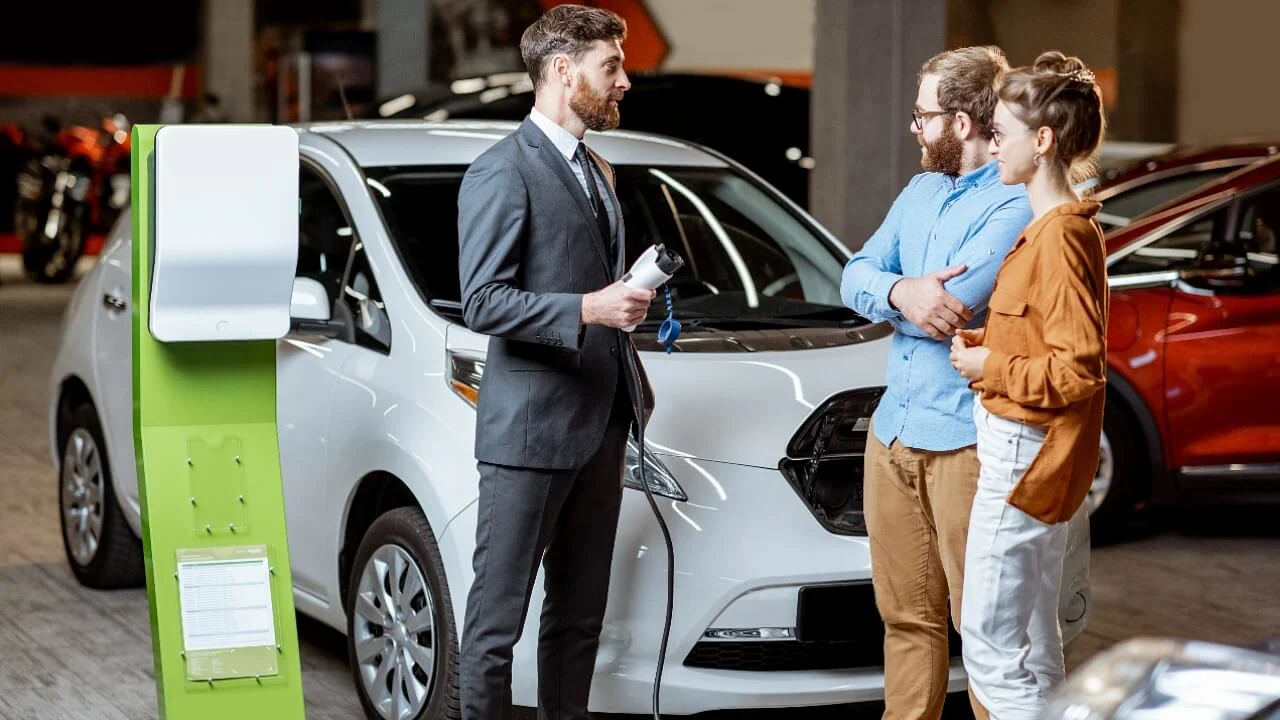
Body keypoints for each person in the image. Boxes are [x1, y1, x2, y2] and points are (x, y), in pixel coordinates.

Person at [454, 5, 655, 719]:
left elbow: (586, 279)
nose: (625, 81)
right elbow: (481, 301)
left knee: (578, 621)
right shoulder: (500, 171)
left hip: (601, 421)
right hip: (531, 433)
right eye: (612, 67)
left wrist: (628, 302)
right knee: (494, 626)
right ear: (564, 73)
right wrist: (586, 309)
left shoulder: (596, 166)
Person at [840, 46, 1031, 720]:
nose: (913, 129)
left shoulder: (1013, 205)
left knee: (984, 634)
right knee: (906, 622)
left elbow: (957, 308)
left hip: (965, 445)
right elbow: (852, 274)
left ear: (960, 121)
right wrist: (901, 289)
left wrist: (899, 299)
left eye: (923, 117)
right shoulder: (920, 190)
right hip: (892, 436)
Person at [949, 50, 1108, 720]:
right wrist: (992, 341)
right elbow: (1047, 334)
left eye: (1002, 133)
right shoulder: (1049, 230)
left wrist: (993, 370)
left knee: (991, 645)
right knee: (1033, 645)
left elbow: (1079, 368)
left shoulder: (1060, 237)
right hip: (1025, 452)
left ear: (1041, 142)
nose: (991, 143)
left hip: (1021, 455)